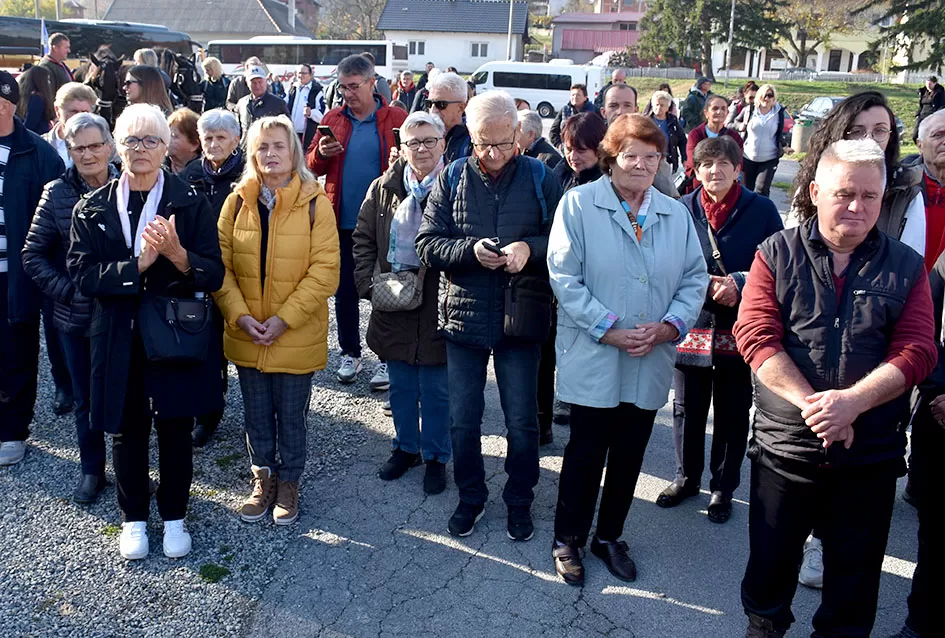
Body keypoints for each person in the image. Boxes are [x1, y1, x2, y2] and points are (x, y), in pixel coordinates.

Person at [733, 139, 937, 638]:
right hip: (786, 448)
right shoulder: (776, 253)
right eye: (845, 193)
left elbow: (918, 349)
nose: (857, 206)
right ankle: (764, 624)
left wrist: (853, 403)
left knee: (854, 578)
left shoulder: (907, 266)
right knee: (770, 564)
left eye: (870, 196)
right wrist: (817, 406)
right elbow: (756, 334)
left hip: (869, 453)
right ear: (816, 190)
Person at [548, 113, 708, 587]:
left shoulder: (674, 212)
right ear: (610, 158)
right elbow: (564, 278)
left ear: (663, 160)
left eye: (652, 156)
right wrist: (608, 328)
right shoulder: (578, 205)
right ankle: (568, 538)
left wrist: (669, 327)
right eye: (631, 155)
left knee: (630, 452)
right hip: (597, 351)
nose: (641, 165)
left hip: (649, 354)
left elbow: (694, 278)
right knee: (585, 451)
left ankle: (609, 536)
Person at [67, 104, 225, 559]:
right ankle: (133, 516)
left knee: (175, 426)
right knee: (127, 428)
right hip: (117, 333)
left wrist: (178, 256)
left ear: (166, 147)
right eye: (132, 140)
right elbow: (81, 274)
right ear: (118, 147)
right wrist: (135, 266)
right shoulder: (92, 207)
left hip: (175, 333)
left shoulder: (190, 200)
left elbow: (213, 274)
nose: (141, 149)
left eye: (151, 140)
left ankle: (174, 514)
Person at [416, 90, 563, 541]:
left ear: (518, 134)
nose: (493, 154)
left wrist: (528, 249)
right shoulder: (453, 176)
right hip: (465, 318)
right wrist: (469, 251)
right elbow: (426, 243)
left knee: (522, 421)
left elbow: (562, 242)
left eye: (502, 143)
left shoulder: (540, 175)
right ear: (471, 138)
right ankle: (471, 497)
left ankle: (520, 500)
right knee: (464, 418)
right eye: (483, 144)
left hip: (521, 319)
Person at [215, 115, 339, 526]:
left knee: (291, 414)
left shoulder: (316, 204)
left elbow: (325, 270)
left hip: (295, 332)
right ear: (251, 152)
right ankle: (261, 477)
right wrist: (239, 314)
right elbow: (221, 268)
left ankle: (289, 482)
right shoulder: (235, 203)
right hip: (248, 331)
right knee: (254, 413)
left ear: (294, 152)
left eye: (278, 146)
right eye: (262, 146)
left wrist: (285, 319)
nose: (270, 154)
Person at [656, 136, 782, 523]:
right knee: (686, 409)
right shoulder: (681, 208)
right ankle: (685, 478)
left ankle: (722, 488)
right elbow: (664, 261)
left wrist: (740, 282)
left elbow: (777, 261)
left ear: (737, 167)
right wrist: (703, 283)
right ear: (695, 170)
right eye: (706, 165)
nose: (715, 171)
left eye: (722, 164)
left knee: (731, 410)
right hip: (692, 322)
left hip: (740, 326)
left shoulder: (761, 209)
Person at [352, 111, 450, 493]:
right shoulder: (384, 187)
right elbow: (362, 237)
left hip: (440, 302)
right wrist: (367, 283)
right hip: (392, 297)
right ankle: (406, 447)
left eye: (429, 141)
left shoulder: (457, 183)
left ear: (443, 143)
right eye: (413, 142)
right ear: (402, 147)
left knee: (438, 390)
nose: (421, 148)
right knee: (402, 386)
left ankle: (437, 456)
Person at [22, 112, 117, 502]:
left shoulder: (132, 183)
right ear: (69, 151)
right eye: (80, 148)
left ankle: (134, 470)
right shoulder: (56, 192)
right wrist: (68, 291)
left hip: (126, 313)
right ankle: (93, 470)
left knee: (132, 394)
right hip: (76, 316)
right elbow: (33, 255)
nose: (89, 155)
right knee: (85, 399)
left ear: (110, 146)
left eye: (96, 145)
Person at [307, 54, 406, 387]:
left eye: (354, 86)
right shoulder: (333, 118)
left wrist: (401, 162)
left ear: (372, 82)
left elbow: (419, 164)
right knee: (345, 291)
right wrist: (321, 153)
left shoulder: (396, 117)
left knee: (387, 289)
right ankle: (351, 352)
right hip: (342, 221)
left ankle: (387, 357)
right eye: (343, 86)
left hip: (386, 221)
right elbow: (310, 165)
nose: (348, 93)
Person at [0, 71, 65, 467]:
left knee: (16, 352)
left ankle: (11, 430)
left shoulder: (37, 153)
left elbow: (59, 216)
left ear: (5, 104)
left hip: (17, 274)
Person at [794, 91, 926, 264]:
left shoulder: (907, 192)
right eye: (858, 131)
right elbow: (794, 247)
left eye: (879, 130)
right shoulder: (817, 181)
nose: (869, 139)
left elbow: (911, 263)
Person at [889, 247, 945, 638]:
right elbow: (924, 327)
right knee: (935, 535)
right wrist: (937, 388)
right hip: (940, 415)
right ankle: (920, 623)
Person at [181, 108, 245, 447]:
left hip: (242, 271)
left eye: (221, 137)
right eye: (208, 138)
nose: (214, 144)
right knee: (206, 347)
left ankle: (261, 414)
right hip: (203, 272)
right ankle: (208, 413)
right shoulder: (191, 173)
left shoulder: (249, 172)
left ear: (236, 140)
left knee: (244, 340)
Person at [600, 84, 679, 199]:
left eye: (627, 105)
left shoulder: (650, 145)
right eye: (613, 106)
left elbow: (670, 193)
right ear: (603, 112)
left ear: (636, 110)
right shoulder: (592, 142)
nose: (620, 111)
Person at [735, 83, 786, 197]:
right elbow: (734, 122)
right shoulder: (750, 110)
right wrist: (741, 126)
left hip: (769, 157)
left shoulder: (778, 112)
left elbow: (778, 133)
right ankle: (746, 213)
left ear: (774, 98)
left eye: (770, 95)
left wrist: (784, 145)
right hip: (748, 156)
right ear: (759, 96)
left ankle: (762, 213)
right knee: (746, 189)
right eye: (765, 95)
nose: (767, 98)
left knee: (761, 189)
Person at [684, 94, 744, 193]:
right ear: (706, 113)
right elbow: (693, 161)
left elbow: (738, 162)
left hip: (727, 185)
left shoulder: (734, 137)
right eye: (715, 108)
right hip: (700, 185)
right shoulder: (695, 135)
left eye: (723, 109)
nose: (719, 112)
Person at [43, 82, 96, 169]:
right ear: (57, 111)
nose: (79, 117)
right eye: (74, 112)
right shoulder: (41, 145)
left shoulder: (104, 145)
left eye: (84, 112)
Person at [424, 72, 471, 163]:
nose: (433, 110)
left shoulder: (473, 142)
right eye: (429, 103)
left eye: (441, 104)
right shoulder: (421, 135)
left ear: (461, 107)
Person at [554, 111, 606, 192]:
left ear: (599, 149)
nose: (573, 157)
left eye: (581, 150)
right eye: (569, 149)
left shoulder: (607, 186)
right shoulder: (558, 173)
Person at [236, 65, 290, 136]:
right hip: (246, 145)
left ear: (266, 81)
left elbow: (288, 130)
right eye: (253, 82)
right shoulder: (242, 103)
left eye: (260, 82)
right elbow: (238, 130)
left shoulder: (278, 104)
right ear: (247, 82)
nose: (257, 85)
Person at [286, 64, 326, 151]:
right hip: (291, 133)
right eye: (299, 73)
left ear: (310, 75)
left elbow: (323, 116)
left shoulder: (317, 91)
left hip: (308, 135)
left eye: (304, 73)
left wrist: (311, 113)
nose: (301, 76)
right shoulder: (292, 89)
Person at [648, 90, 686, 174]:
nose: (658, 108)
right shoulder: (646, 121)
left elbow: (682, 140)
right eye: (656, 105)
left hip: (669, 161)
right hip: (649, 161)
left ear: (667, 107)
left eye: (662, 105)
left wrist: (685, 158)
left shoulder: (673, 121)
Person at [16, 65, 55, 135]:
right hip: (37, 136)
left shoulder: (26, 96)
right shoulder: (36, 98)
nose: (49, 82)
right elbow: (30, 123)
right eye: (47, 79)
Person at [166, 108, 201, 175]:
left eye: (174, 136)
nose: (167, 139)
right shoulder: (158, 168)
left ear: (194, 145)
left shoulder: (204, 173)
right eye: (167, 134)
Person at [914, 75, 945, 143]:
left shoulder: (939, 93)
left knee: (929, 134)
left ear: (934, 83)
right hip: (922, 116)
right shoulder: (923, 92)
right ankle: (921, 147)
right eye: (927, 84)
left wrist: (935, 116)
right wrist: (917, 114)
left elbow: (942, 106)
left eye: (930, 84)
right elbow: (921, 106)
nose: (928, 86)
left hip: (932, 116)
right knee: (915, 135)